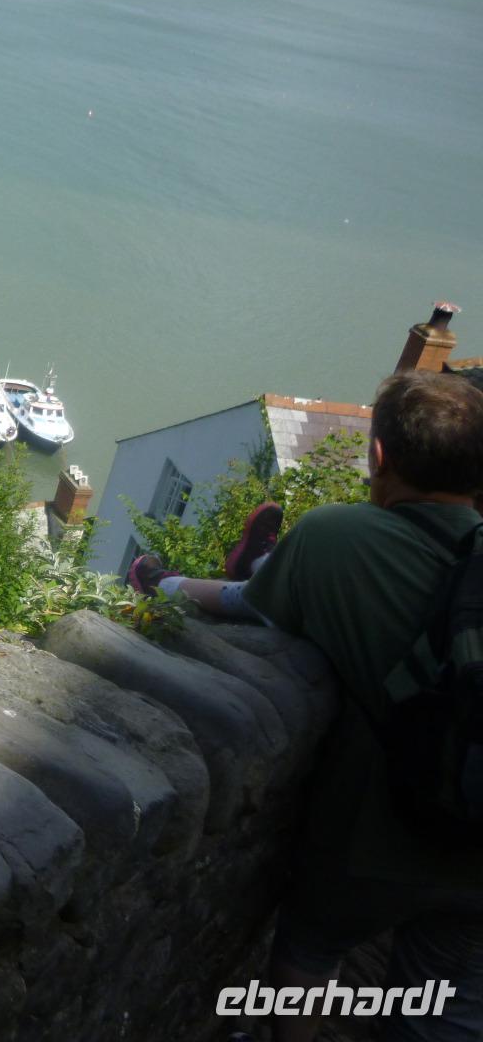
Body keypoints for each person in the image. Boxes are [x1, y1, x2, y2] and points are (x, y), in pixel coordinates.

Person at [130, 371, 483, 1042]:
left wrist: (164, 584)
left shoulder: (337, 536)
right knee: (445, 1010)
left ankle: (258, 566)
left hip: (376, 845)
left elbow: (238, 610)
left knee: (309, 960)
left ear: (377, 456)